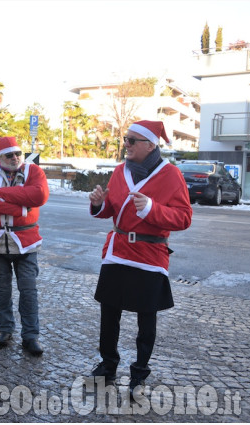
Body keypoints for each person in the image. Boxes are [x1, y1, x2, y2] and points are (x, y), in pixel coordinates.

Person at [88, 120, 192, 398]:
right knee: (109, 313)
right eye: (126, 139)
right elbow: (111, 208)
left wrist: (152, 209)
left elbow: (184, 218)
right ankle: (108, 365)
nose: (126, 144)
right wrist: (98, 203)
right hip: (117, 250)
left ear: (150, 145)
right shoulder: (120, 171)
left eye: (132, 140)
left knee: (146, 319)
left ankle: (139, 372)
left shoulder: (171, 175)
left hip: (150, 255)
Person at [0, 136, 49, 356]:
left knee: (28, 291)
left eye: (18, 154)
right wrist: (19, 208)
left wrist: (0, 194)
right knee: (2, 291)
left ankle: (31, 336)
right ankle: (5, 329)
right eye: (9, 155)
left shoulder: (34, 172)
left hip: (26, 243)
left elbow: (39, 195)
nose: (15, 158)